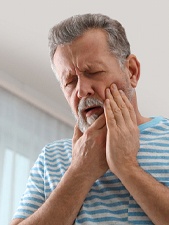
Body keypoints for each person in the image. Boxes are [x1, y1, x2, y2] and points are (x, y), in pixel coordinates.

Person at [10, 13, 169, 225]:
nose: (82, 90)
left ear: (131, 71)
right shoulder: (50, 157)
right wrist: (81, 171)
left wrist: (127, 166)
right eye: (70, 81)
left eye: (93, 72)